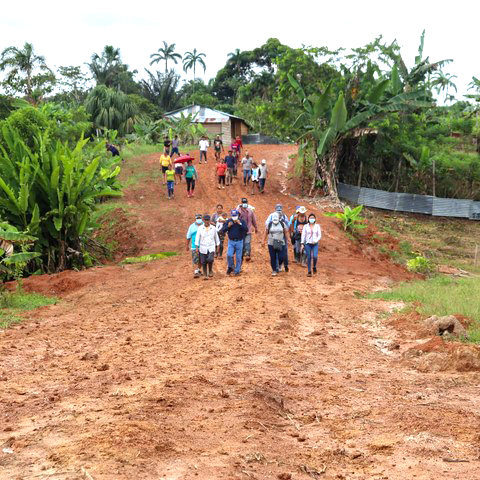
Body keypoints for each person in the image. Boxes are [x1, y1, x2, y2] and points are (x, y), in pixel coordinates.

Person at [265, 204, 290, 272]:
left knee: (284, 252)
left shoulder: (284, 216)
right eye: (278, 210)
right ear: (275, 209)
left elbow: (288, 225)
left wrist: (283, 223)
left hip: (282, 236)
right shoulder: (271, 216)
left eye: (280, 210)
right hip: (272, 238)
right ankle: (275, 268)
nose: (279, 212)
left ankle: (285, 265)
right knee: (274, 253)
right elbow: (266, 223)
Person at [222, 209, 247, 276]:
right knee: (229, 255)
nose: (234, 217)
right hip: (231, 241)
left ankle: (237, 271)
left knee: (238, 257)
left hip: (239, 241)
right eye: (233, 216)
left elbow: (246, 229)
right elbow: (223, 230)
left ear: (238, 215)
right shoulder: (228, 221)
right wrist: (228, 226)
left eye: (235, 215)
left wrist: (240, 224)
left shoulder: (241, 221)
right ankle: (231, 266)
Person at [195, 214, 220, 279]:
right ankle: (205, 274)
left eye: (208, 220)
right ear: (203, 220)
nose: (206, 221)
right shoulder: (200, 228)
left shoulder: (213, 228)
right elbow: (197, 238)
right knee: (203, 262)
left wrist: (218, 246)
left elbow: (216, 238)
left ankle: (210, 270)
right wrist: (197, 247)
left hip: (211, 246)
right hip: (203, 247)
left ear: (209, 220)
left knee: (210, 259)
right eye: (205, 220)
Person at [237, 198, 258, 262]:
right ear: (241, 203)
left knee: (247, 242)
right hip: (241, 230)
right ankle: (242, 254)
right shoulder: (238, 210)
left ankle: (247, 255)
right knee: (242, 243)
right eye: (243, 202)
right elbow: (235, 218)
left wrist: (256, 227)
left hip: (248, 229)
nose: (244, 204)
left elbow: (253, 220)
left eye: (245, 202)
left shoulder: (250, 211)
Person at [186, 214, 203, 278]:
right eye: (197, 218)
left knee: (201, 259)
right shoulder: (192, 226)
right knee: (195, 258)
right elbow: (188, 236)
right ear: (195, 218)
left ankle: (198, 270)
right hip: (194, 246)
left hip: (203, 245)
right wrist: (187, 245)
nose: (199, 219)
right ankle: (196, 271)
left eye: (199, 218)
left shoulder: (204, 225)